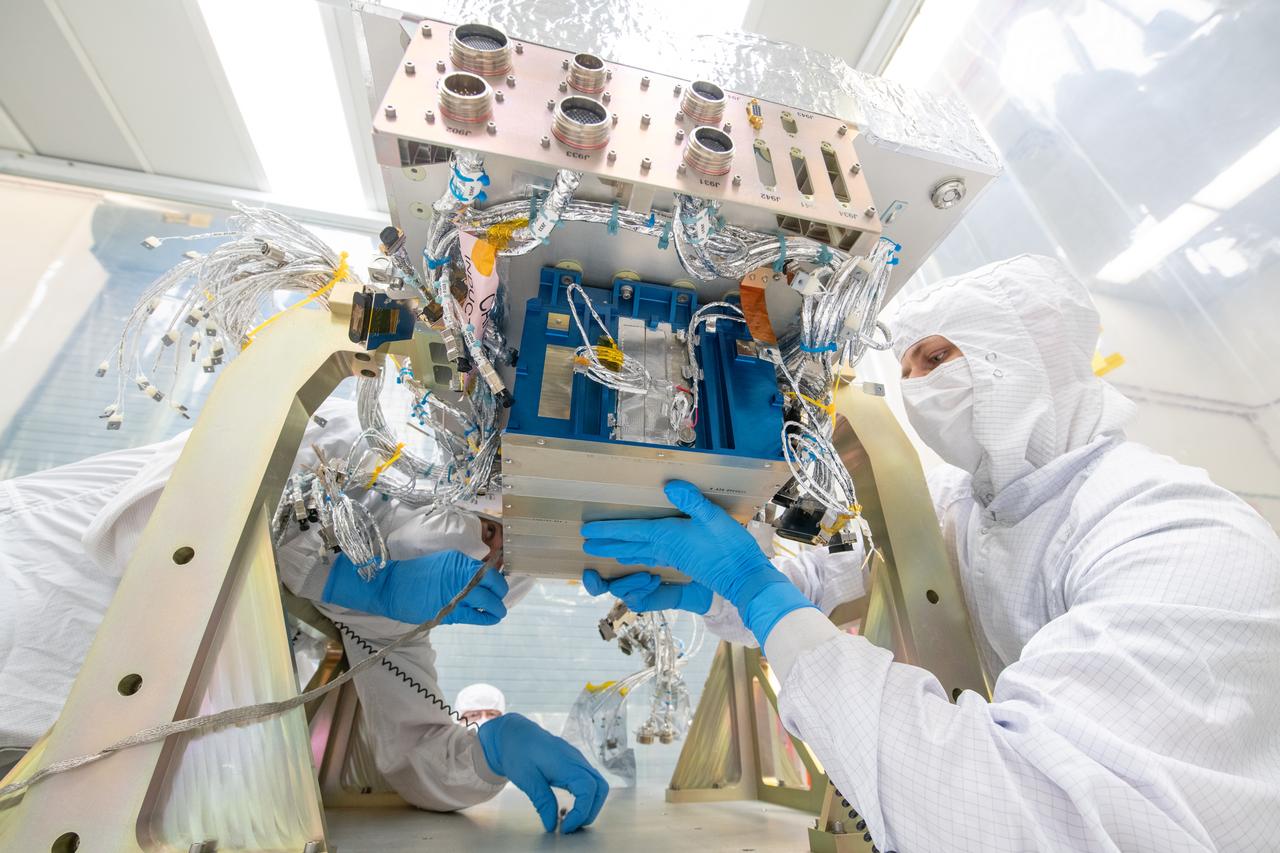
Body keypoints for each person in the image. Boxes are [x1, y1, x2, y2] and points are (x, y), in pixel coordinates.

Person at [581, 254, 1280, 852]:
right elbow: (832, 573)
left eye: (939, 357)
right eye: (909, 364)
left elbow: (1011, 815)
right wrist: (722, 590)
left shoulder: (1173, 531)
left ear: (1028, 359)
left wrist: (761, 594)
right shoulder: (967, 505)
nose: (918, 386)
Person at [0, 398, 607, 834]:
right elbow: (150, 532)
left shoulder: (380, 611)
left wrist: (490, 750)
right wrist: (352, 578)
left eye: (510, 565)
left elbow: (418, 761)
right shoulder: (329, 433)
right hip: (26, 597)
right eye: (493, 534)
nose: (489, 568)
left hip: (49, 757)